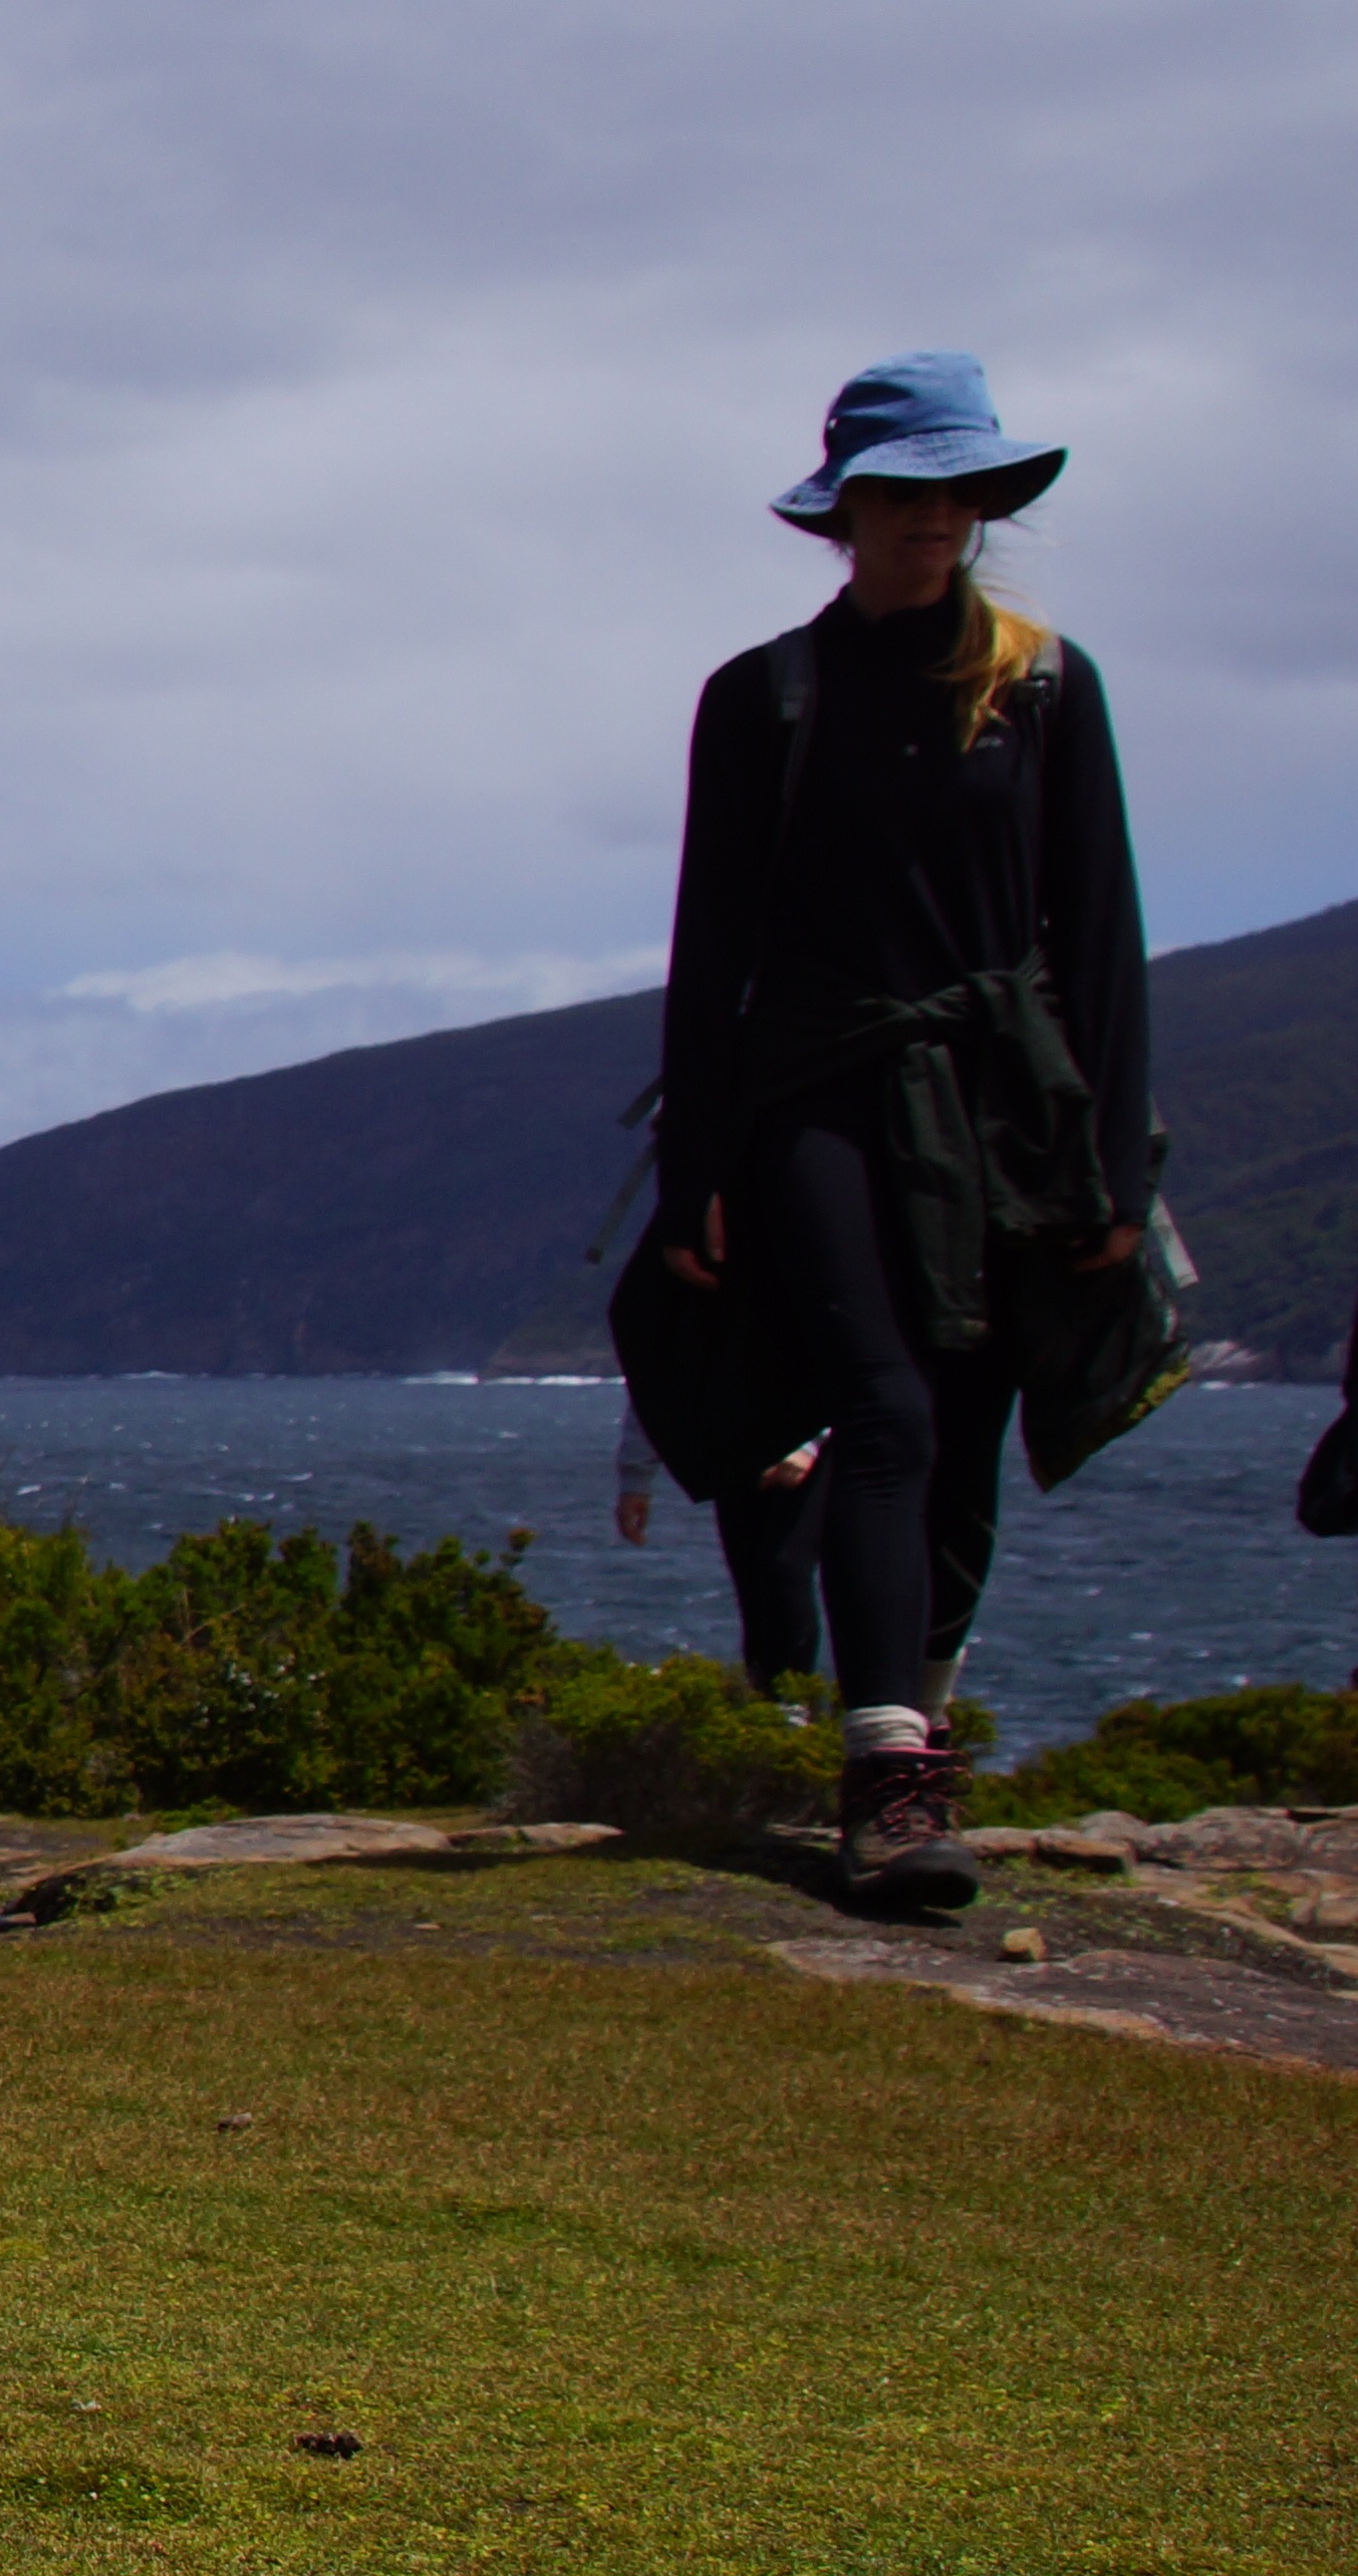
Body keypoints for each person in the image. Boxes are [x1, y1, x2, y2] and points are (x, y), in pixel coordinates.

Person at [634, 352, 1167, 1915]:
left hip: (1010, 1109)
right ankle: (888, 1780)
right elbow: (709, 948)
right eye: (902, 493)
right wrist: (698, 1175)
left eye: (957, 493)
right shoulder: (764, 699)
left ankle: (913, 1724)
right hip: (815, 1095)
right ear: (844, 514)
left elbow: (1105, 933)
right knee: (883, 1411)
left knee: (968, 1429)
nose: (933, 520)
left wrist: (1117, 1164)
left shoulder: (1047, 686)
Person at [614, 1409, 831, 1693]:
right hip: (738, 1448)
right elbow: (654, 1388)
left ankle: (794, 1700)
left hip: (817, 1447)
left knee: (785, 1567)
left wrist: (808, 1443)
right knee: (751, 1582)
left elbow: (841, 1369)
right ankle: (765, 1704)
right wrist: (636, 1480)